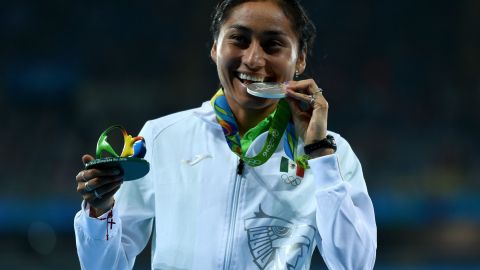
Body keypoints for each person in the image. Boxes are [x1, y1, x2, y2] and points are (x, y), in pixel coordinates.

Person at [74, 0, 377, 269]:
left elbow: (355, 264)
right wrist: (100, 213)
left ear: (300, 59)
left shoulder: (332, 155)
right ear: (215, 47)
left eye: (273, 45)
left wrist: (319, 154)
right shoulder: (161, 137)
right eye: (239, 40)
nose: (254, 59)